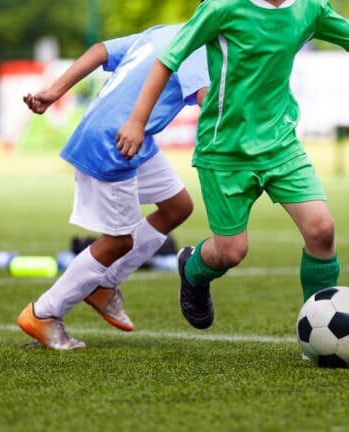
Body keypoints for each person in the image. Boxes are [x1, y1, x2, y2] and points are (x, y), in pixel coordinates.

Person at [116, 0, 349, 330]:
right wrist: (137, 121)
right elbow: (167, 60)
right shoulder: (221, 8)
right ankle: (192, 269)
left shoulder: (309, 8)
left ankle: (316, 327)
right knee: (230, 252)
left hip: (281, 145)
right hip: (225, 152)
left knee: (321, 229)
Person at [16, 24, 210, 350]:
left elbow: (100, 50)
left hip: (133, 136)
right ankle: (44, 313)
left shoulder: (167, 31)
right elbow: (212, 105)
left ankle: (103, 286)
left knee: (177, 206)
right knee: (118, 241)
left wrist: (54, 91)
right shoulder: (203, 48)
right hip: (114, 140)